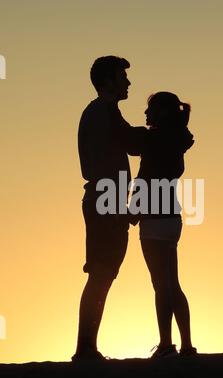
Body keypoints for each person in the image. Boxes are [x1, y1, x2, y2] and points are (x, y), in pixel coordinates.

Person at [73, 56, 134, 362]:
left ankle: (87, 347)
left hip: (106, 198)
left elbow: (131, 142)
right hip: (104, 199)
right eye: (122, 77)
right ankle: (85, 349)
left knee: (103, 273)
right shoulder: (102, 112)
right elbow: (133, 143)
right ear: (108, 81)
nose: (128, 83)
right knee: (100, 273)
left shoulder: (104, 112)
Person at [131, 92, 197, 358]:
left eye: (150, 109)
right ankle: (186, 345)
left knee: (161, 285)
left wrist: (132, 213)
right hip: (171, 218)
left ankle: (167, 345)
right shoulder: (174, 140)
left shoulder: (155, 141)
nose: (146, 114)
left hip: (154, 220)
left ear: (163, 112)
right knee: (173, 283)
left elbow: (144, 180)